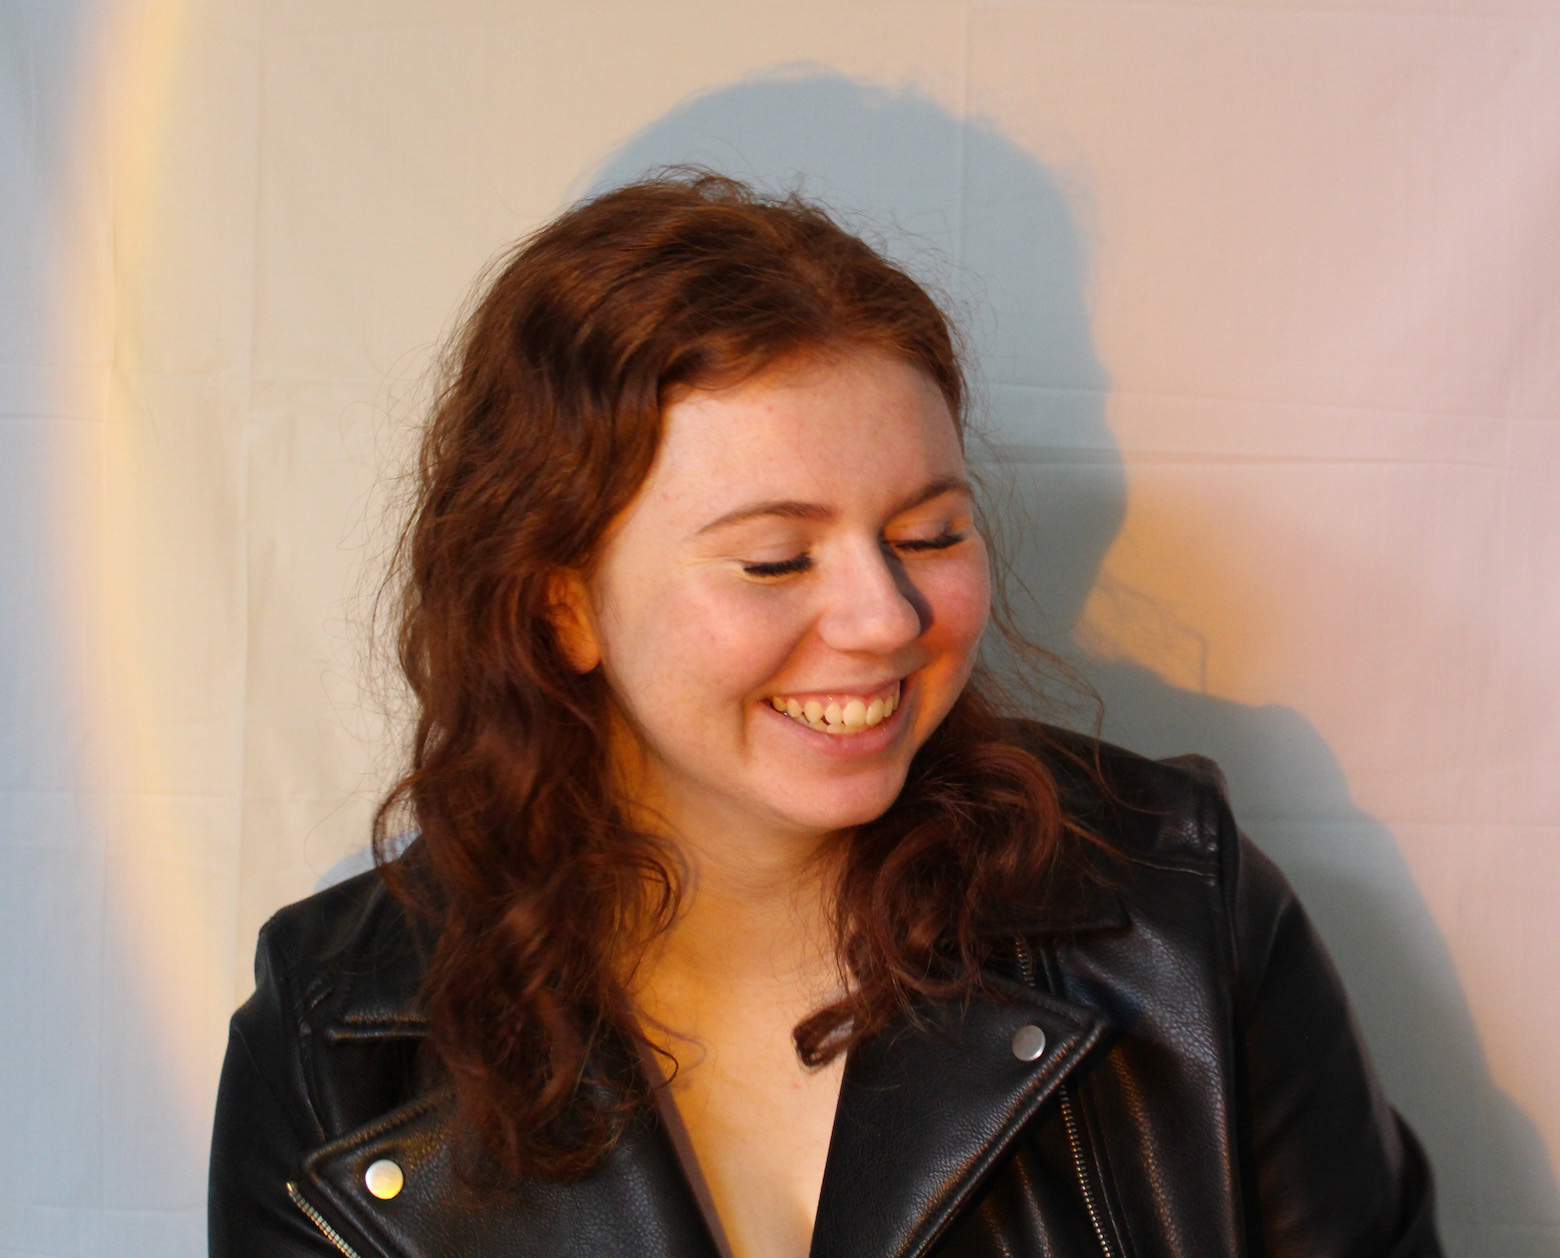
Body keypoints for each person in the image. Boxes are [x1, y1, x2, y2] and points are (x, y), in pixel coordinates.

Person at [209, 172, 1442, 1257]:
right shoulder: (332, 1043)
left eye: (930, 533)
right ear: (560, 604)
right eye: (775, 559)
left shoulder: (1179, 909)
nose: (887, 616)